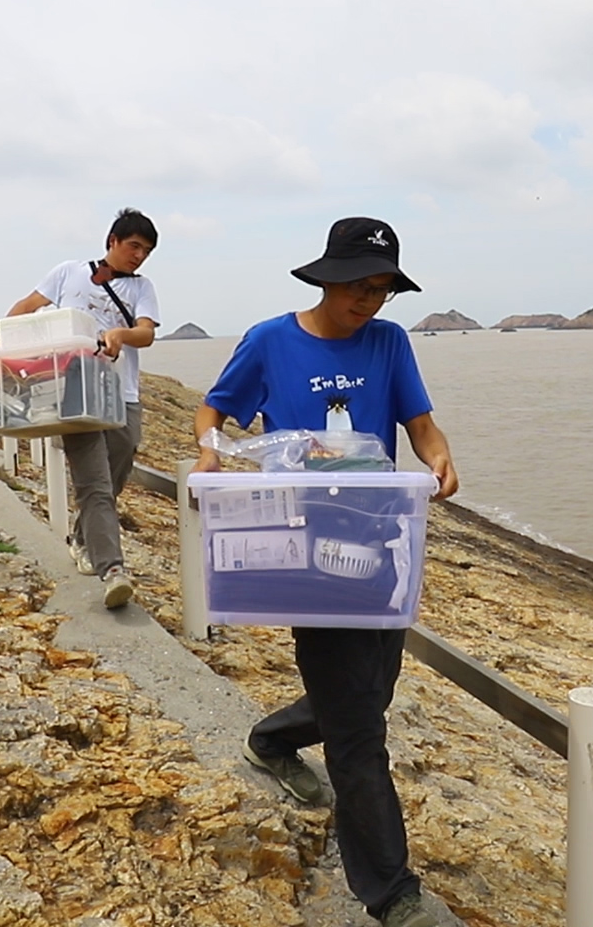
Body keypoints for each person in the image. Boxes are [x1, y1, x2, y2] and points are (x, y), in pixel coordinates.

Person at [194, 217, 457, 927]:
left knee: (369, 697)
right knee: (358, 732)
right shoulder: (270, 340)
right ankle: (390, 890)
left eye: (382, 288)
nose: (369, 300)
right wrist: (210, 455)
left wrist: (438, 457)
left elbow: (420, 425)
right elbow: (213, 412)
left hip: (382, 540)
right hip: (303, 550)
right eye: (358, 286)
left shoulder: (390, 342)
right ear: (326, 278)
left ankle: (273, 738)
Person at [7, 208, 161, 609]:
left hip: (122, 395)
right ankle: (113, 570)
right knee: (94, 486)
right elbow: (26, 307)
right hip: (74, 393)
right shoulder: (68, 272)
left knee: (116, 473)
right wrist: (11, 348)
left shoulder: (142, 287)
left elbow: (145, 333)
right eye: (133, 246)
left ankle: (82, 536)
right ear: (112, 240)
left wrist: (119, 334)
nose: (139, 256)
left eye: (146, 251)